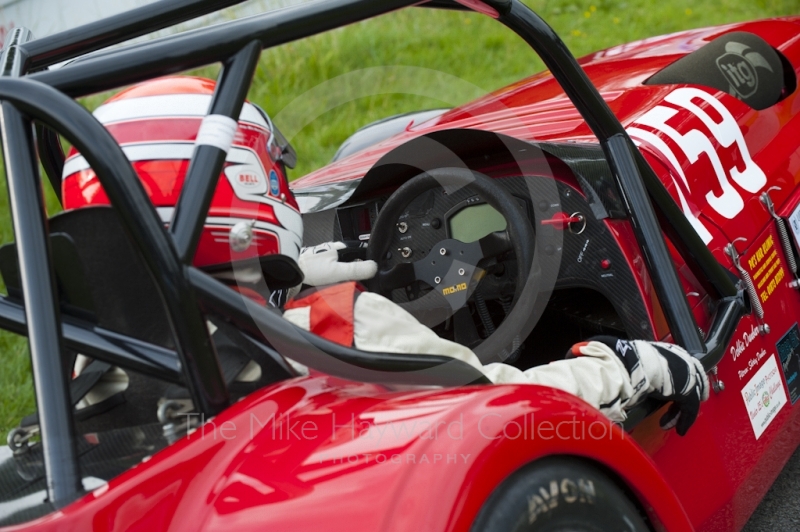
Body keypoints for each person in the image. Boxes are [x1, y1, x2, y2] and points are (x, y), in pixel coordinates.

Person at [63, 76, 709, 436]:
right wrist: (625, 363)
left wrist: (285, 278)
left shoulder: (98, 352)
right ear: (245, 186)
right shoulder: (350, 325)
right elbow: (510, 405)